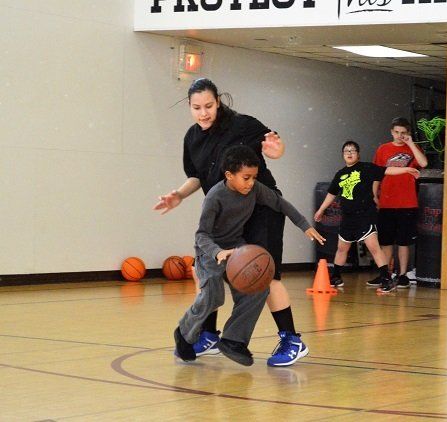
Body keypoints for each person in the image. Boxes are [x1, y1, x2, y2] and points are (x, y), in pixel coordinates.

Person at [154, 78, 311, 366]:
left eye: (209, 106)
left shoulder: (242, 125)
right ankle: (210, 335)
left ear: (219, 102)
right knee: (207, 269)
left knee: (264, 273)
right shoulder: (192, 138)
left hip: (261, 207)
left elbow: (273, 143)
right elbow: (198, 177)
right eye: (197, 107)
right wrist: (178, 195)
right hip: (228, 212)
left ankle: (291, 339)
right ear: (189, 107)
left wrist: (278, 149)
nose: (204, 113)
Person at [174, 145, 325, 366]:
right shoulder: (215, 196)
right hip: (210, 251)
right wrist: (218, 252)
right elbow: (202, 235)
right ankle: (184, 333)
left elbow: (279, 203)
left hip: (237, 248)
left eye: (254, 177)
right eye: (246, 178)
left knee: (258, 289)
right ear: (229, 175)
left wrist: (304, 225)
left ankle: (234, 340)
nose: (251, 182)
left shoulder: (254, 189)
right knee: (213, 297)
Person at [314, 140, 420, 293]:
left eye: (352, 151)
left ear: (358, 154)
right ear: (343, 155)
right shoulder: (340, 174)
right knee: (342, 248)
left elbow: (387, 170)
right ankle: (336, 276)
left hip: (365, 215)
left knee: (373, 247)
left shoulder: (366, 168)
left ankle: (386, 279)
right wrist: (321, 210)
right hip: (348, 217)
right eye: (346, 151)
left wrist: (407, 170)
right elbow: (331, 193)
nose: (349, 153)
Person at [368, 117, 428, 290]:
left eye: (403, 133)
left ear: (408, 133)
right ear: (391, 131)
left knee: (403, 242)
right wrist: (374, 195)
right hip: (387, 202)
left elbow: (423, 163)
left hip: (407, 202)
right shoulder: (383, 149)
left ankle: (402, 275)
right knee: (385, 241)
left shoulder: (412, 148)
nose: (400, 135)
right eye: (397, 132)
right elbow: (376, 174)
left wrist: (410, 144)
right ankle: (385, 275)